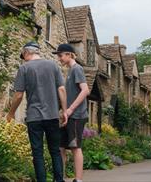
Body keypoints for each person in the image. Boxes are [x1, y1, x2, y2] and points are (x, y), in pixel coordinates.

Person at [7, 42, 67, 182]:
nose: (23, 58)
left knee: (38, 154)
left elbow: (18, 95)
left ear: (27, 52)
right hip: (52, 116)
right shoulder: (53, 66)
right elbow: (62, 90)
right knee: (55, 151)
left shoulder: (24, 68)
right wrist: (64, 111)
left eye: (23, 55)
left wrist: (10, 113)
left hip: (34, 117)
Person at [54, 44, 89, 182]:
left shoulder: (77, 69)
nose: (59, 58)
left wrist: (70, 109)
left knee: (75, 147)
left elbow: (85, 90)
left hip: (76, 116)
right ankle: (59, 178)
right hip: (68, 116)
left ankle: (78, 179)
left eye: (61, 55)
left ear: (69, 54)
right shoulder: (69, 72)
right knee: (61, 147)